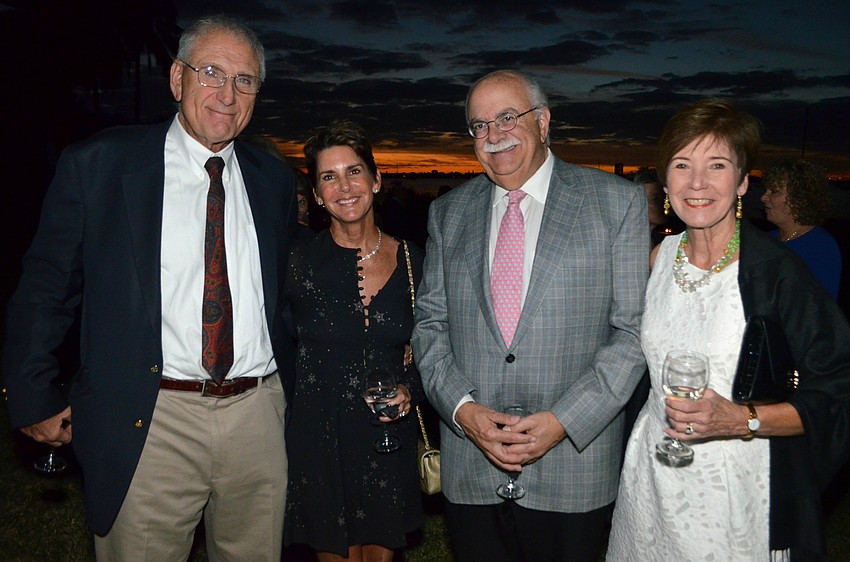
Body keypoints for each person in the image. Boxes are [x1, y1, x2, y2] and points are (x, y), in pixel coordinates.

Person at [2, 15, 297, 561]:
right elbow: (47, 284)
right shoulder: (100, 165)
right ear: (176, 78)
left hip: (257, 415)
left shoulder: (273, 179)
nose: (227, 95)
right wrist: (32, 392)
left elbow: (282, 294)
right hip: (151, 418)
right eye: (211, 72)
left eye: (245, 80)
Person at [412, 70, 649, 562]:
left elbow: (632, 334)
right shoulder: (448, 214)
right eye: (479, 125)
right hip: (473, 464)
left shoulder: (614, 202)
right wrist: (462, 412)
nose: (493, 135)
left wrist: (563, 421)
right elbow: (430, 325)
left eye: (506, 118)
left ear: (542, 122)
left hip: (573, 466)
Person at [608, 99, 850, 560]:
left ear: (741, 182)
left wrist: (744, 419)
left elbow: (840, 388)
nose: (697, 183)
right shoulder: (656, 260)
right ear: (666, 182)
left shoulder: (777, 273)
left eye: (716, 165)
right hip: (651, 480)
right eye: (682, 165)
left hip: (735, 489)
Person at [283, 120, 424, 562]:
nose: (344, 186)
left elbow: (436, 344)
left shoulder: (413, 259)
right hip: (320, 438)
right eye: (329, 176)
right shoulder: (296, 262)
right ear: (318, 194)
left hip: (386, 436)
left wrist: (410, 389)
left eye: (354, 171)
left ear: (377, 180)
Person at [761, 158, 842, 299]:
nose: (763, 197)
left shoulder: (820, 246)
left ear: (798, 197)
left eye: (774, 191)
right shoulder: (764, 240)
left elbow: (818, 309)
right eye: (766, 190)